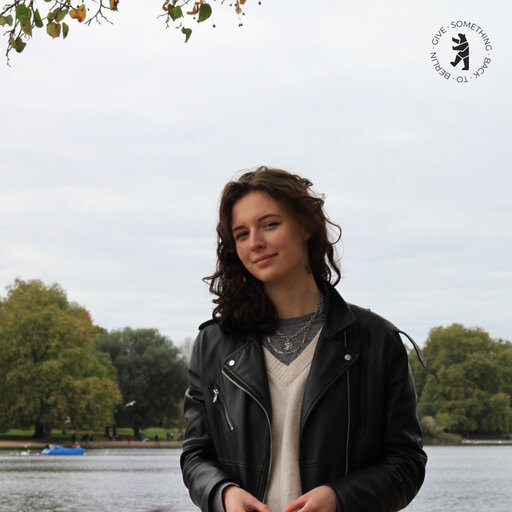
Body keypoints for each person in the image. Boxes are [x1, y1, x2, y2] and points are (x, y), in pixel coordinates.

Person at [180, 167, 427, 512]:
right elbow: (195, 456)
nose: (255, 242)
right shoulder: (212, 345)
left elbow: (407, 463)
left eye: (269, 224)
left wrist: (341, 498)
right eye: (241, 234)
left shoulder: (376, 341)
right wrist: (223, 494)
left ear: (306, 226)